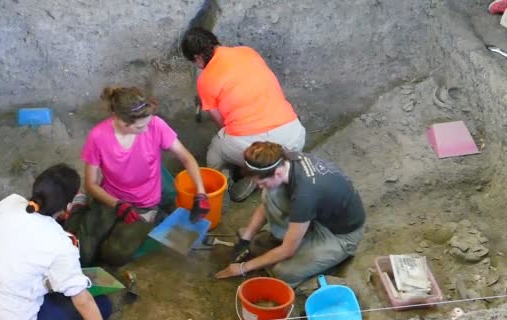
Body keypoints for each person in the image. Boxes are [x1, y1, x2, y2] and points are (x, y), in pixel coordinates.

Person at [0, 164, 112, 320]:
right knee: (102, 306)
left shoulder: (9, 202)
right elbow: (83, 302)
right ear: (68, 206)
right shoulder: (61, 243)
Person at [65, 86, 209, 267]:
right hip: (111, 198)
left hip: (145, 203)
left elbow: (186, 158)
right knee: (82, 255)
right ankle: (78, 206)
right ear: (121, 121)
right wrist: (117, 204)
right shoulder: (98, 136)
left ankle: (153, 216)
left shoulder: (156, 125)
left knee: (113, 256)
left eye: (147, 123)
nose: (146, 128)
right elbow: (91, 183)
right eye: (140, 126)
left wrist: (201, 193)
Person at [181, 27, 306, 202]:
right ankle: (266, 169)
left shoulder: (205, 79)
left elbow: (221, 124)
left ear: (197, 58)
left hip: (252, 145)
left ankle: (229, 178)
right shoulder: (248, 52)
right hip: (294, 137)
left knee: (216, 148)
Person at [215, 142, 365, 288]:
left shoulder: (304, 195)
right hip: (320, 216)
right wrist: (245, 239)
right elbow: (265, 203)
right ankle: (298, 242)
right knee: (270, 195)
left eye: (262, 182)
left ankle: (321, 275)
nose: (259, 187)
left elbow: (288, 251)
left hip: (340, 236)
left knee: (283, 272)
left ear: (278, 173)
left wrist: (243, 268)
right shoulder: (286, 161)